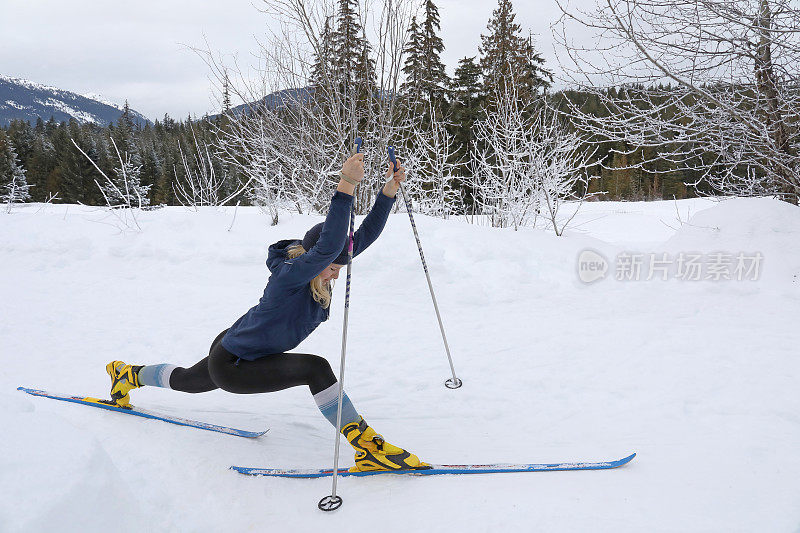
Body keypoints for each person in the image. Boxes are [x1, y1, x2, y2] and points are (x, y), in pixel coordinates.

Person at [105, 150, 429, 472]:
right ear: (313, 257)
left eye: (340, 267)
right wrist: (346, 184)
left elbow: (361, 237)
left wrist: (388, 190)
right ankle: (368, 447)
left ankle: (127, 374)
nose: (336, 273)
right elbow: (330, 246)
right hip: (235, 364)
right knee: (315, 369)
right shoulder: (293, 274)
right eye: (330, 268)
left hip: (236, 342)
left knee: (188, 380)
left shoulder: (320, 266)